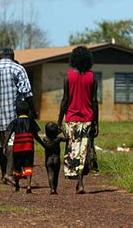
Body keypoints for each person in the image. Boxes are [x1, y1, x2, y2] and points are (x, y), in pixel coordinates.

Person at [0, 48, 37, 184]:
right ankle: (8, 174)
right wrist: (33, 111)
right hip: (13, 115)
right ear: (13, 56)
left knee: (1, 145)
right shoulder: (18, 69)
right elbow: (27, 93)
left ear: (0, 57)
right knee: (12, 144)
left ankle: (3, 175)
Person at [57, 46, 99, 194]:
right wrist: (96, 123)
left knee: (73, 149)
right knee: (84, 150)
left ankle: (78, 180)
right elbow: (94, 102)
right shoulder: (92, 77)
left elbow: (65, 100)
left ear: (73, 59)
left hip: (72, 120)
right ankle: (80, 181)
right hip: (88, 120)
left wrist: (59, 120)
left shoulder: (68, 76)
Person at [3, 101, 45, 193]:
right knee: (28, 165)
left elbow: (8, 133)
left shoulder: (14, 121)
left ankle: (17, 185)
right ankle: (29, 185)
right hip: (29, 147)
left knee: (17, 167)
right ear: (28, 111)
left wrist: (4, 145)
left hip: (17, 147)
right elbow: (36, 136)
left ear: (17, 112)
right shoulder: (31, 121)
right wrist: (43, 145)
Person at [43, 122, 69, 195]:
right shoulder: (58, 139)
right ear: (56, 132)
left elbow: (50, 137)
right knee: (56, 175)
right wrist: (63, 130)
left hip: (48, 159)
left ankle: (52, 189)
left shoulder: (45, 139)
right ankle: (55, 189)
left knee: (50, 174)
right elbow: (67, 138)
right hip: (56, 159)